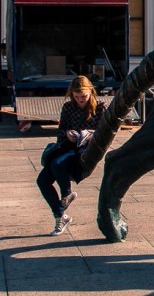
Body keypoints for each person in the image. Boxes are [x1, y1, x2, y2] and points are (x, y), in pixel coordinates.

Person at [37, 75, 107, 236]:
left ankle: (67, 193)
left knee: (57, 164)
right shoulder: (68, 107)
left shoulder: (101, 107)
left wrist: (90, 133)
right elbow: (60, 131)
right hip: (68, 145)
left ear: (91, 92)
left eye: (83, 96)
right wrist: (67, 133)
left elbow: (106, 132)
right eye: (77, 97)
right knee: (42, 181)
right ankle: (61, 216)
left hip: (85, 150)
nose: (81, 100)